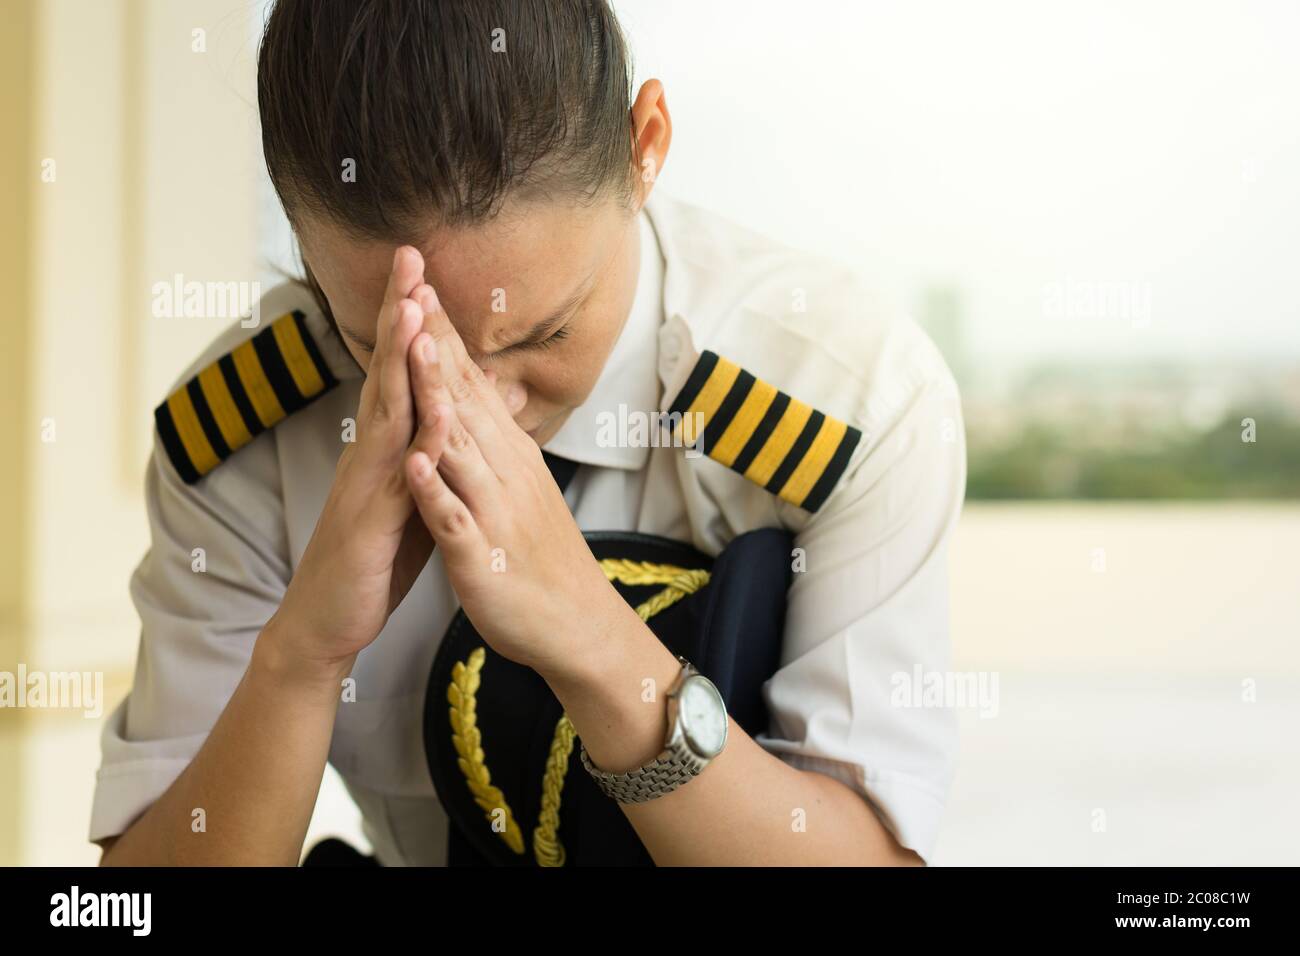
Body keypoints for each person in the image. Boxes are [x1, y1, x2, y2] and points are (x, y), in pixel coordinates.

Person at [92, 0, 966, 866]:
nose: (485, 410)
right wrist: (302, 654)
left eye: (544, 332)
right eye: (388, 347)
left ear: (644, 147)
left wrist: (595, 641)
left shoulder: (850, 397)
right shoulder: (243, 439)